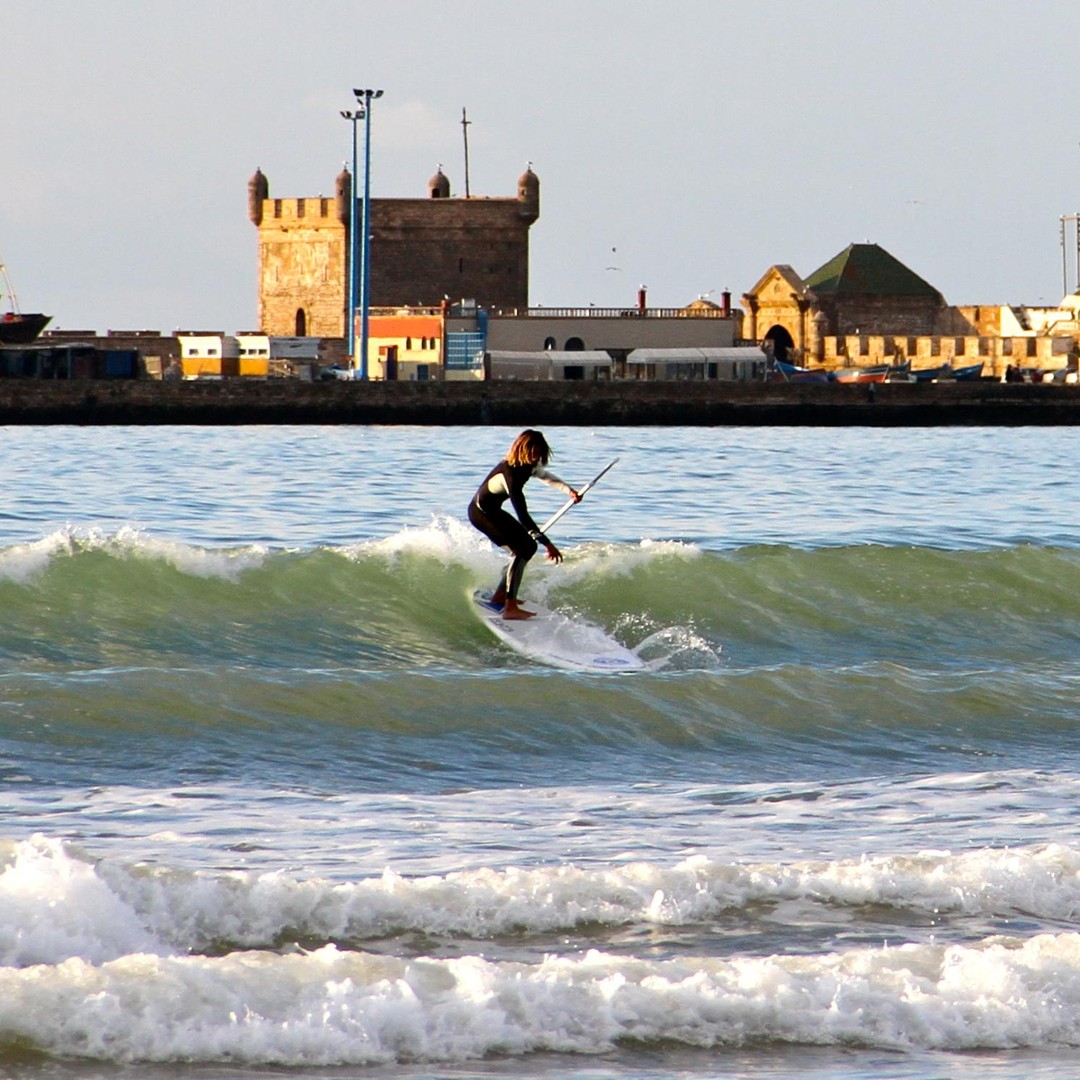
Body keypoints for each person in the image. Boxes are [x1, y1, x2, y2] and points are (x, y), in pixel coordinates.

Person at [469, 430, 581, 619]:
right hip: (481, 514)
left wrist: (569, 490)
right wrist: (548, 544)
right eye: (532, 454)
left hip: (494, 511)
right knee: (523, 549)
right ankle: (510, 607)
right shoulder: (509, 474)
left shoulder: (528, 466)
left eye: (538, 454)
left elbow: (545, 476)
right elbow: (523, 516)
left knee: (527, 547)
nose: (535, 459)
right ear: (521, 450)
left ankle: (500, 596)